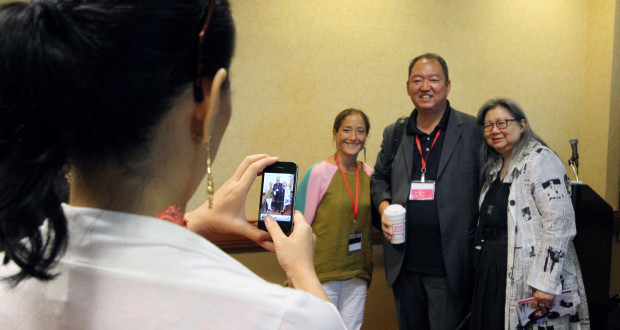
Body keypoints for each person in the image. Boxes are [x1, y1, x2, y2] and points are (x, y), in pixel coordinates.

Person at [0, 1, 346, 328]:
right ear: (205, 107)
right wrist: (302, 272)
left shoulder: (10, 276)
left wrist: (195, 221)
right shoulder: (285, 318)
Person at [370, 53, 483, 329]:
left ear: (447, 86)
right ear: (408, 86)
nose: (425, 86)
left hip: (450, 267)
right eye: (417, 80)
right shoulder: (395, 133)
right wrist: (384, 208)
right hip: (404, 263)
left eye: (434, 79)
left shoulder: (472, 130)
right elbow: (378, 180)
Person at [471, 98, 589, 329]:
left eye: (502, 122)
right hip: (494, 274)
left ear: (522, 124)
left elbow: (559, 223)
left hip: (531, 279)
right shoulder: (495, 168)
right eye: (488, 125)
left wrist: (545, 282)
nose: (495, 130)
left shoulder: (540, 161)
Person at [296, 108, 374, 330]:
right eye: (346, 130)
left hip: (357, 270)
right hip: (322, 272)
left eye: (360, 131)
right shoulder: (319, 172)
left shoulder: (369, 174)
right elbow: (301, 226)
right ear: (335, 133)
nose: (353, 137)